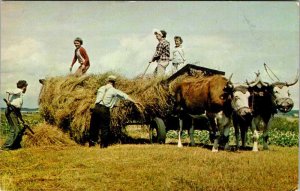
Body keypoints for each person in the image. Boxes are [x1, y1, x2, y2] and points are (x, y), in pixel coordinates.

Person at [89, 75, 142, 148]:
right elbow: (124, 96)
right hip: (104, 110)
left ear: (107, 81)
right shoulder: (114, 90)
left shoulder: (101, 88)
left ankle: (91, 144)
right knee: (105, 128)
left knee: (93, 126)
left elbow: (100, 97)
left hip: (96, 108)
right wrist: (134, 102)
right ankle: (103, 146)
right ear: (114, 83)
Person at [1, 80, 28, 150]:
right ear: (24, 87)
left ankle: (15, 145)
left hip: (14, 111)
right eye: (26, 87)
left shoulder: (20, 95)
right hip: (11, 110)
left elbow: (18, 110)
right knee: (16, 129)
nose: (26, 89)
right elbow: (8, 91)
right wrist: (7, 101)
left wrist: (23, 121)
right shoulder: (19, 91)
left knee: (16, 129)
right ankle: (6, 146)